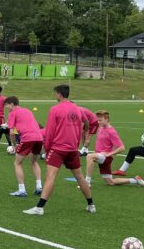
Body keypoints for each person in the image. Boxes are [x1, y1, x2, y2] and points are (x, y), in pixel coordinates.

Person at [24, 85, 96, 216]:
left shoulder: (55, 109)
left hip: (58, 148)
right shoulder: (77, 108)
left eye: (55, 94)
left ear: (59, 94)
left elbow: (50, 132)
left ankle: (39, 208)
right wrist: (82, 134)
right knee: (80, 177)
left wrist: (47, 148)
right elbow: (86, 123)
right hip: (72, 149)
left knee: (50, 177)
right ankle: (91, 205)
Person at [84, 111, 144, 188]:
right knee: (110, 182)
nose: (98, 122)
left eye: (100, 120)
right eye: (98, 120)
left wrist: (109, 154)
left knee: (90, 156)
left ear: (107, 119)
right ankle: (135, 180)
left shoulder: (112, 131)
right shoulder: (100, 127)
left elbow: (122, 147)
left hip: (105, 157)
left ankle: (87, 183)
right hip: (101, 156)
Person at [4, 96, 43, 198]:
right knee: (34, 162)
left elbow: (12, 133)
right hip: (39, 137)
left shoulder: (12, 113)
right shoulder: (27, 110)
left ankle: (22, 190)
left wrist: (14, 145)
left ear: (12, 104)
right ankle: (39, 187)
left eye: (6, 105)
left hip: (28, 138)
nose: (6, 108)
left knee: (17, 163)